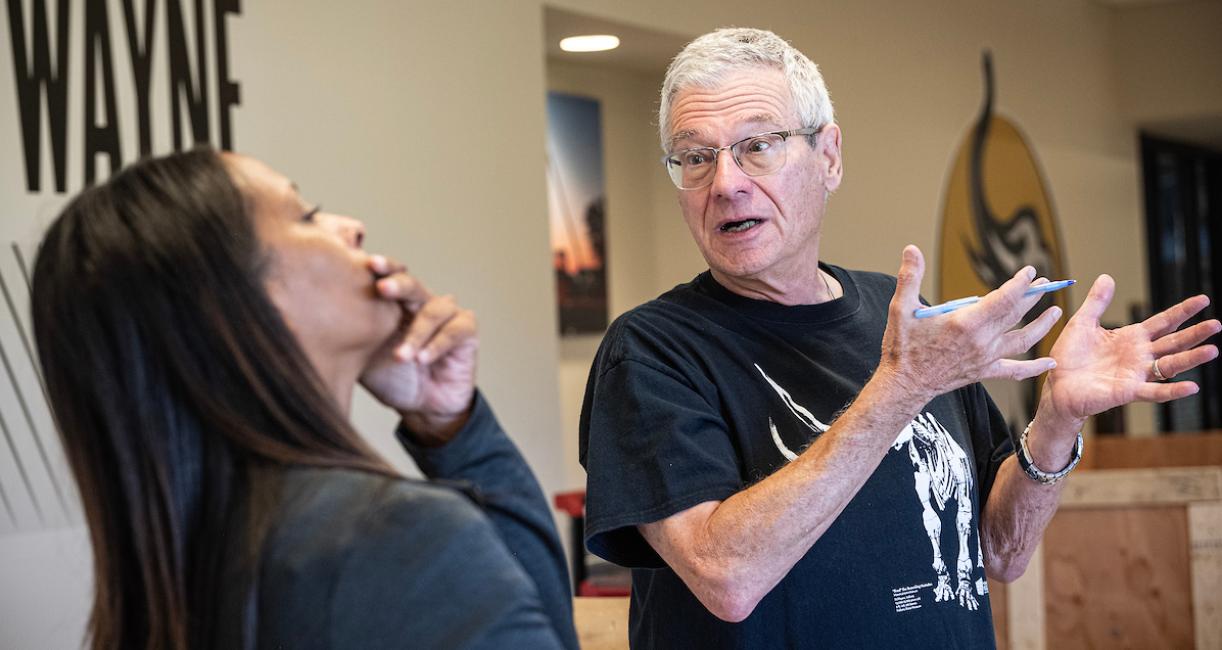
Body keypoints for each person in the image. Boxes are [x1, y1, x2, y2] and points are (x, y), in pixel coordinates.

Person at [579, 27, 1220, 648]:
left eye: (758, 145)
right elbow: (727, 577)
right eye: (694, 157)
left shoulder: (905, 317)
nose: (725, 182)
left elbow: (1001, 550)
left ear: (828, 157)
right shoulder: (651, 352)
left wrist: (1056, 420)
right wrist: (904, 385)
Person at [31, 149, 579, 649]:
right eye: (307, 215)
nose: (354, 228)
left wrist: (448, 424)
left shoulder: (178, 561)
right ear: (238, 300)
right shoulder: (394, 536)